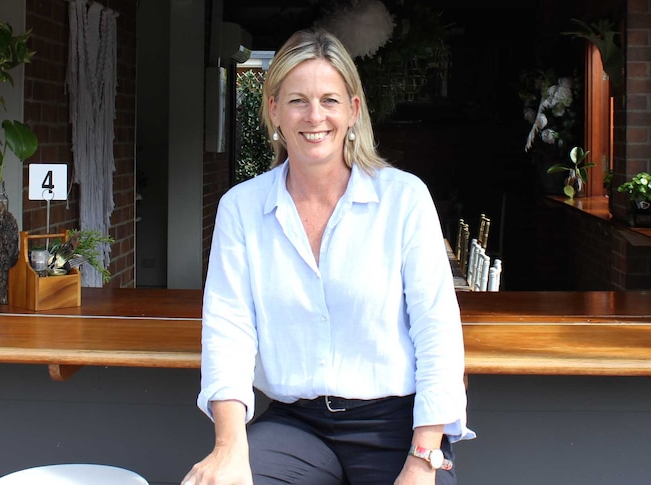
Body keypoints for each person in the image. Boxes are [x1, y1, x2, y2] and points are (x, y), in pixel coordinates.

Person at [184, 28, 474, 485]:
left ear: (353, 110)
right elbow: (228, 330)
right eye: (297, 100)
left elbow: (437, 333)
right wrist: (229, 447)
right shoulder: (241, 208)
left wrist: (423, 459)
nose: (314, 115)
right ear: (274, 109)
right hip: (294, 424)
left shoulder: (403, 199)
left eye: (330, 100)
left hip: (395, 427)